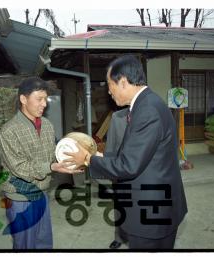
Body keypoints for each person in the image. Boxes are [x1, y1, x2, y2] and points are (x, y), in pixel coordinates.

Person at [64, 55, 188, 249]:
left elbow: (128, 166)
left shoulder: (147, 111)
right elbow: (133, 155)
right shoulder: (146, 104)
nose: (108, 91)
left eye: (109, 84)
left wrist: (88, 159)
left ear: (122, 82)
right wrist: (99, 156)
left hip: (152, 214)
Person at [0, 77, 74, 249]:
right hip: (20, 199)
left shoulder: (47, 125)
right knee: (25, 245)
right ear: (23, 99)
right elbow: (20, 168)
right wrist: (51, 167)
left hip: (42, 194)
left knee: (43, 242)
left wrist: (69, 157)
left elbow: (53, 152)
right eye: (39, 99)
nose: (44, 104)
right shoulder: (9, 131)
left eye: (45, 99)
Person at [104, 108, 129, 249]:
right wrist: (109, 171)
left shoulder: (151, 114)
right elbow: (111, 146)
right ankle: (119, 237)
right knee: (120, 206)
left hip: (145, 171)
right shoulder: (117, 117)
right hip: (121, 170)